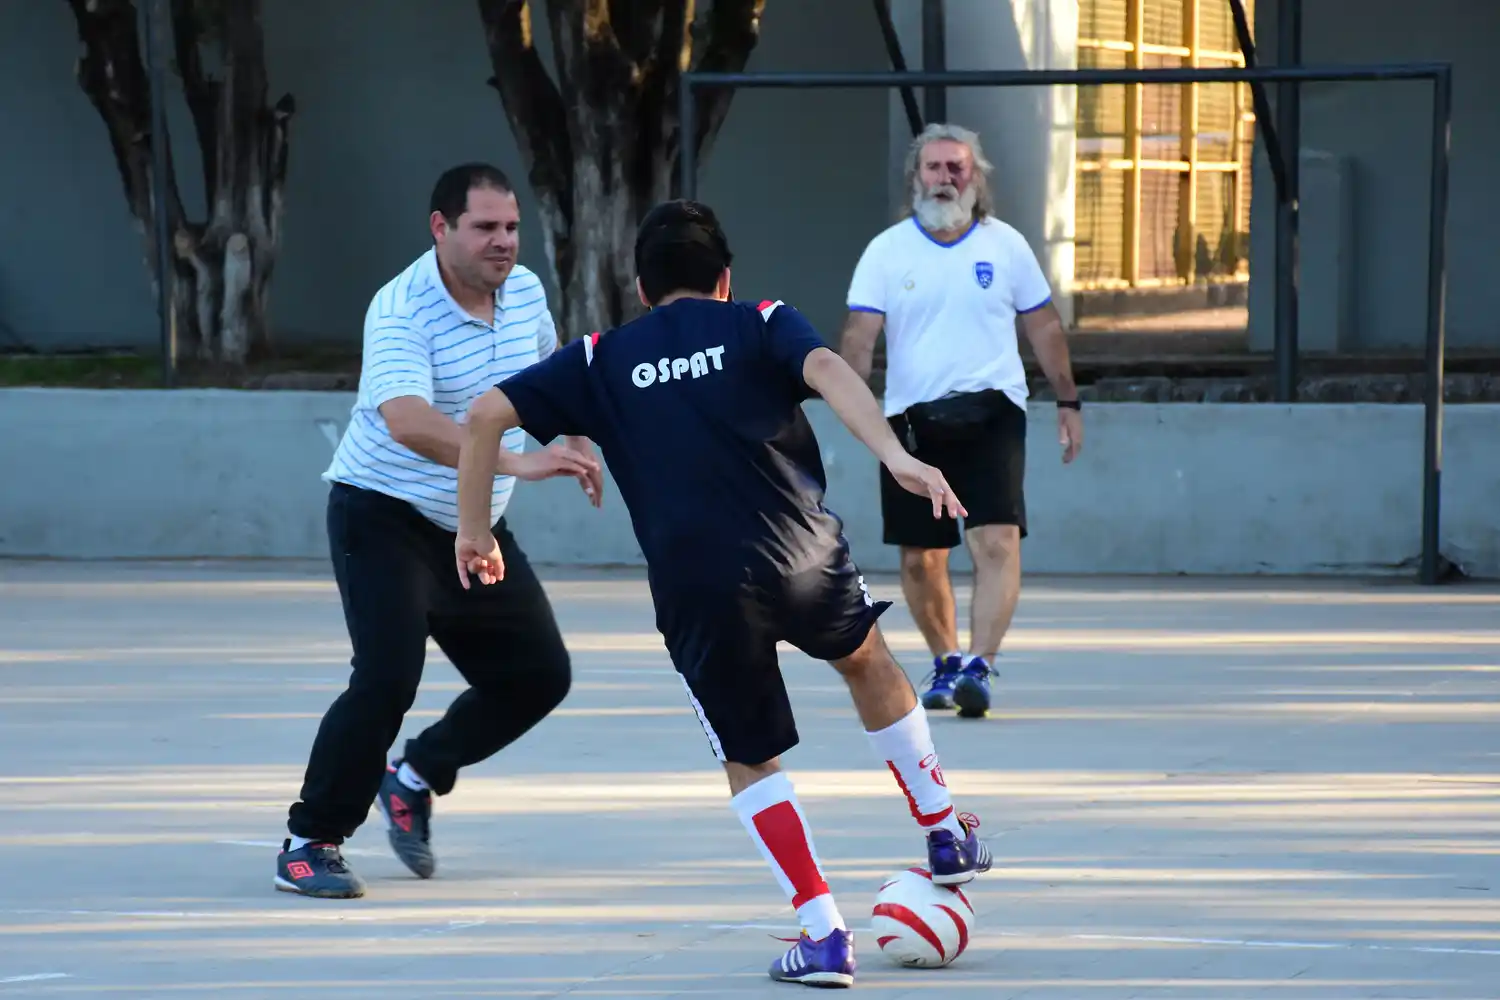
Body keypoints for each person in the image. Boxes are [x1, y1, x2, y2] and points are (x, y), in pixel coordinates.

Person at [452, 200, 993, 988]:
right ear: (726, 278)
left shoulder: (601, 358)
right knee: (864, 654)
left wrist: (476, 530)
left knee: (749, 751)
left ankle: (823, 935)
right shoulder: (762, 321)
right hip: (803, 553)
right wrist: (895, 456)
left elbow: (483, 415)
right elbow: (831, 370)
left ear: (641, 288)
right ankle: (943, 827)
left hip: (699, 585)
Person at [274, 163, 603, 899]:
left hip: (471, 520)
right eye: (485, 228)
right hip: (381, 513)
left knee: (537, 676)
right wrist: (516, 459)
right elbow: (408, 421)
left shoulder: (523, 292)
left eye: (512, 227)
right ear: (440, 229)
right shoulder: (401, 309)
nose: (504, 243)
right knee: (388, 676)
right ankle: (308, 842)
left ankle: (416, 774)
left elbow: (549, 377)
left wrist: (575, 433)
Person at [838, 122, 1084, 720]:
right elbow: (858, 338)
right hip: (910, 420)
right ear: (915, 177)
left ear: (976, 178)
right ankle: (946, 660)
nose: (945, 178)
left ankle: (980, 663)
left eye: (957, 168)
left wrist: (1069, 400)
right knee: (923, 556)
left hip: (992, 409)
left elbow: (1045, 326)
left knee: (996, 539)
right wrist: (857, 413)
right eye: (934, 167)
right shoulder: (887, 250)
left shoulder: (1007, 246)